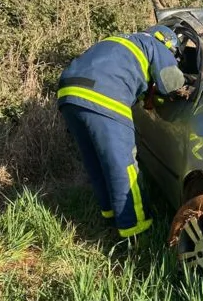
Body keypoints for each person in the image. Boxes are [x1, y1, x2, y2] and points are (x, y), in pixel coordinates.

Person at [57, 25, 185, 237]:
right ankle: (135, 229)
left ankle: (108, 215)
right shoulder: (156, 45)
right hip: (104, 95)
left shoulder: (120, 41)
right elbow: (171, 84)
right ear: (168, 44)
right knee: (123, 166)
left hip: (68, 92)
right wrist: (185, 86)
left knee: (96, 161)